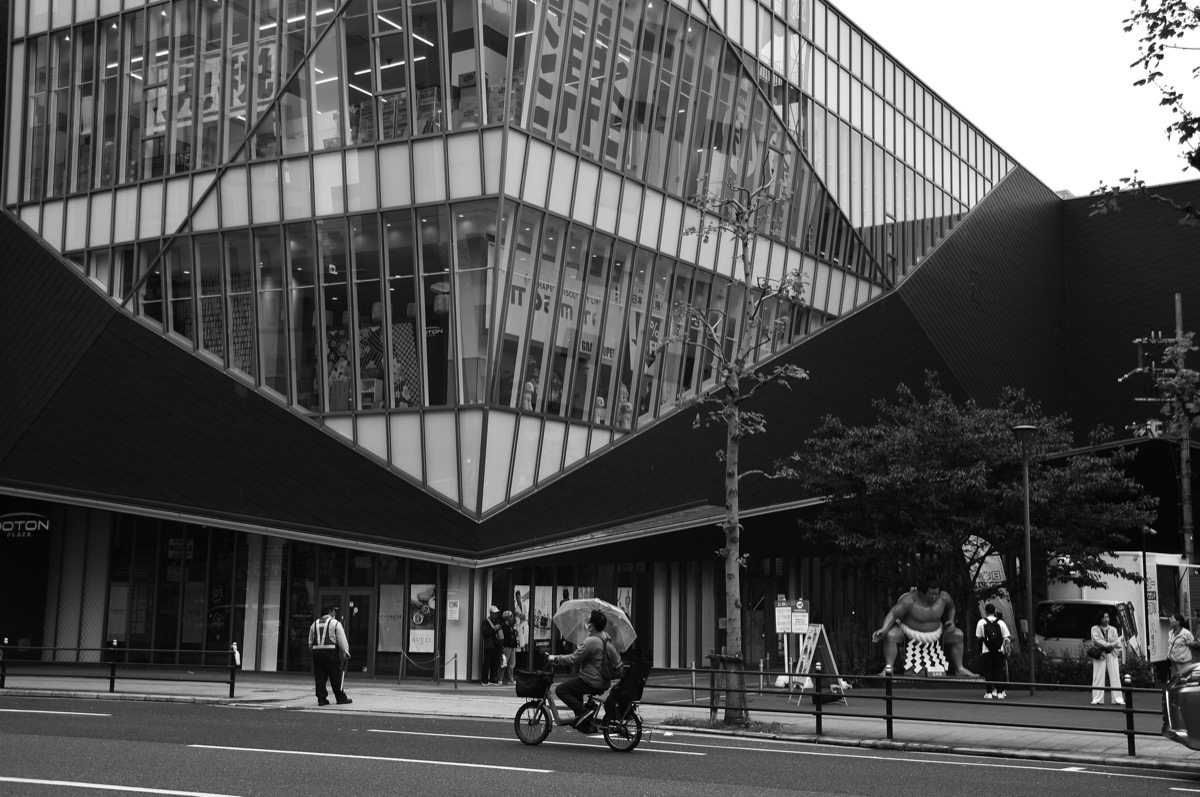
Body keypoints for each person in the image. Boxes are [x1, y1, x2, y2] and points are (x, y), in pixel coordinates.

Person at [872, 576, 976, 677]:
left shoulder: (944, 597)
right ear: (922, 593)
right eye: (931, 594)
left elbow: (951, 607)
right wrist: (884, 629)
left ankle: (959, 668)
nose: (934, 597)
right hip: (908, 635)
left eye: (936, 594)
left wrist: (951, 620)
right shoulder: (909, 601)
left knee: (958, 635)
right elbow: (893, 613)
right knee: (891, 635)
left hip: (936, 634)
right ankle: (888, 667)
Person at [547, 609, 620, 726]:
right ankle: (583, 719)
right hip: (603, 681)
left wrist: (555, 658)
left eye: (588, 620)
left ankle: (583, 712)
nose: (586, 621)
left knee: (561, 690)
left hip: (592, 681)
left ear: (592, 625)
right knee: (575, 687)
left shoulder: (591, 642)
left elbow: (572, 659)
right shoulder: (606, 637)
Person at [308, 603, 351, 706]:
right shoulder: (335, 623)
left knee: (320, 676)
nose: (335, 613)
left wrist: (313, 650)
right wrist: (345, 652)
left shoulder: (314, 624)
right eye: (334, 611)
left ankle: (321, 699)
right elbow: (341, 639)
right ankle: (340, 698)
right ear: (330, 611)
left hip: (317, 652)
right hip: (331, 652)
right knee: (335, 675)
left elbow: (310, 642)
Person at [974, 602, 1011, 699]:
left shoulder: (981, 622)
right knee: (999, 670)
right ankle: (1000, 693)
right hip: (999, 650)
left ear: (986, 612)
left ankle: (989, 693)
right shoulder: (1001, 622)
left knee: (988, 671)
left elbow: (978, 637)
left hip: (986, 650)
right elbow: (1006, 636)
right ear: (994, 612)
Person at [1090, 610, 1125, 705]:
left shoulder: (1113, 629)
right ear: (1100, 619)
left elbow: (1116, 641)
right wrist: (1109, 644)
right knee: (1098, 676)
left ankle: (1118, 699)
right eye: (1104, 617)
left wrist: (1111, 645)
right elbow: (1096, 640)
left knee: (1115, 676)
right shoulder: (1094, 628)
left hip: (1111, 654)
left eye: (1107, 617)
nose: (1106, 619)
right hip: (1099, 654)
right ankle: (1097, 699)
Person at [1168, 612, 1196, 680]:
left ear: (1178, 622)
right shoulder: (1171, 633)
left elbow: (1193, 645)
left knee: (1184, 680)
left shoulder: (1186, 633)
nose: (1170, 620)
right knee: (1174, 681)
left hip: (1184, 663)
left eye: (1172, 619)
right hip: (1173, 661)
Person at [481, 605, 503, 685]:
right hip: (489, 645)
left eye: (496, 613)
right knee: (487, 663)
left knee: (495, 663)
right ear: (490, 613)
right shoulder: (486, 621)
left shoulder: (496, 621)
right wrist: (494, 629)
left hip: (496, 644)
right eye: (494, 613)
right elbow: (485, 633)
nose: (496, 615)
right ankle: (484, 680)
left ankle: (493, 679)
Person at [500, 610, 519, 685]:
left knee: (512, 663)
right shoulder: (503, 626)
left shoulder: (511, 626)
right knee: (504, 662)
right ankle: (500, 677)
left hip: (512, 646)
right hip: (507, 646)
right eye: (511, 617)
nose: (512, 618)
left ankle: (510, 678)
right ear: (508, 618)